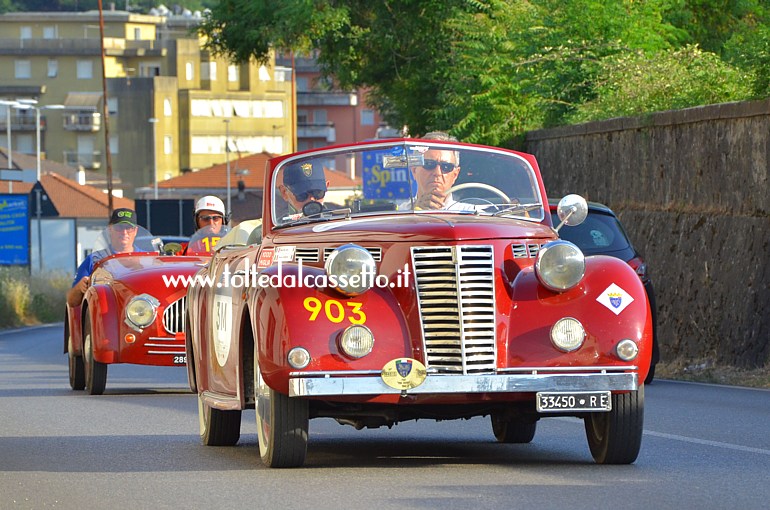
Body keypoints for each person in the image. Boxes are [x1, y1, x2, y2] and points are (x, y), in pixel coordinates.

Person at [67, 208, 139, 307]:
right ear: (110, 229)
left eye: (129, 228)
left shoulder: (148, 260)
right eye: (119, 228)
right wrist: (80, 287)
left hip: (141, 314)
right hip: (106, 313)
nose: (124, 232)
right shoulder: (95, 259)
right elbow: (71, 302)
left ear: (135, 231)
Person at [410, 131, 464, 210]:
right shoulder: (396, 215)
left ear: (455, 175)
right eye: (429, 164)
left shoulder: (473, 216)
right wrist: (414, 212)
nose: (437, 173)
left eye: (446, 167)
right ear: (414, 170)